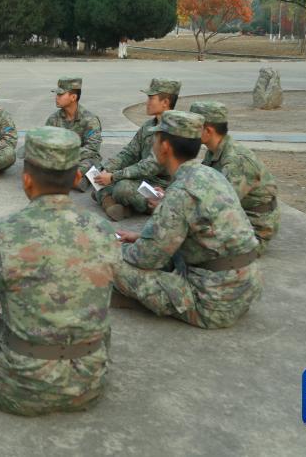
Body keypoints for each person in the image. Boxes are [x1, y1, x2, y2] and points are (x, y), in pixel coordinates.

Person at [0, 127, 117, 416]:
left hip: (18, 385)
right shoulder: (104, 230)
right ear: (76, 178)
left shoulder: (3, 231)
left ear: (26, 180)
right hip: (89, 383)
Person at [113, 111, 263, 329]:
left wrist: (113, 248)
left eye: (156, 138)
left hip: (212, 302)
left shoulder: (181, 191)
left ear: (165, 146)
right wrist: (140, 237)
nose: (153, 143)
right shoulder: (210, 174)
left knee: (109, 262)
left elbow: (145, 259)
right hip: (245, 288)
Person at [190, 101, 280, 253]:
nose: (187, 132)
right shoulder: (215, 150)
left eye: (193, 127)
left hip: (253, 229)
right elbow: (204, 188)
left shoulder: (235, 161)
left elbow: (220, 207)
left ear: (208, 130)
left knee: (185, 247)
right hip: (237, 219)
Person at [93, 78, 180, 221]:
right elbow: (129, 152)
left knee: (122, 188)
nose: (147, 102)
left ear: (165, 102)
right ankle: (114, 204)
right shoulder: (148, 126)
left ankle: (110, 201)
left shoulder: (175, 130)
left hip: (162, 186)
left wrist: (113, 176)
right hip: (141, 179)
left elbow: (149, 167)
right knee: (99, 176)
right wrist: (107, 169)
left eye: (151, 98)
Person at [45, 77, 102, 191]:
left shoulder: (90, 120)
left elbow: (92, 148)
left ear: (73, 97)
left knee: (85, 166)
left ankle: (83, 177)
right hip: (60, 159)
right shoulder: (53, 119)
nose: (56, 97)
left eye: (60, 95)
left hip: (83, 158)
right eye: (56, 94)